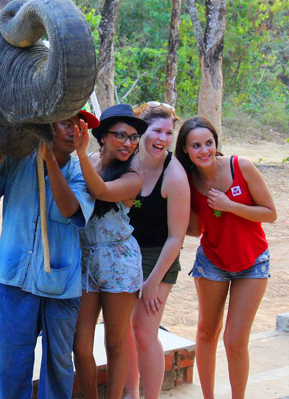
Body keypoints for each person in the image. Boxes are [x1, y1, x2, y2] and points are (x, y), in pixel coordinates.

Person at [0, 110, 99, 399]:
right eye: (66, 124)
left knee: (58, 367)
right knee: (6, 364)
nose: (73, 132)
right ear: (47, 127)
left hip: (61, 286)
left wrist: (51, 164)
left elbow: (69, 209)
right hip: (16, 280)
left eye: (80, 128)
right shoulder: (18, 159)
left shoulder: (83, 173)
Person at [175, 116, 277, 399]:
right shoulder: (187, 180)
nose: (204, 150)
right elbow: (195, 230)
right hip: (212, 262)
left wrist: (230, 206)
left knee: (234, 340)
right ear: (185, 149)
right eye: (196, 145)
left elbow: (270, 213)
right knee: (207, 333)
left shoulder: (240, 166)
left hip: (252, 261)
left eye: (209, 143)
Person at [72, 103, 147, 399]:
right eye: (120, 135)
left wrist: (79, 155)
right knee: (80, 345)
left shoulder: (132, 177)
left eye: (132, 137)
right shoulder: (89, 160)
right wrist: (80, 155)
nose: (128, 143)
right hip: (85, 260)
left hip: (119, 261)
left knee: (115, 344)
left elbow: (100, 192)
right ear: (102, 136)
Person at [123, 101, 190, 399]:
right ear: (141, 131)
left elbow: (177, 237)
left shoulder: (174, 176)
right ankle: (129, 393)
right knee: (123, 329)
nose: (162, 139)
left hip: (158, 258)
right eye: (156, 131)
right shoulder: (126, 160)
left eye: (168, 132)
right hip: (123, 255)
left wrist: (152, 283)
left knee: (144, 332)